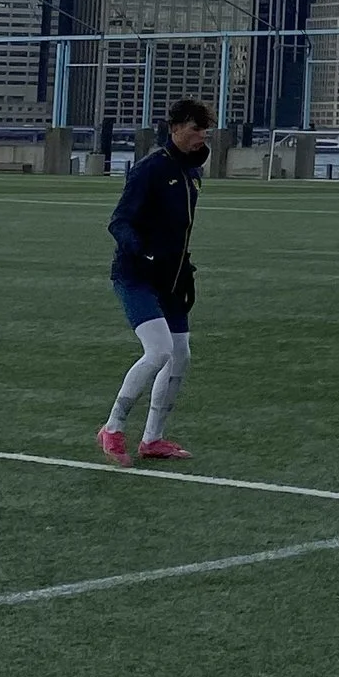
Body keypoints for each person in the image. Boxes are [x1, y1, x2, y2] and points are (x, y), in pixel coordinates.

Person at [101, 98, 213, 464]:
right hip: (136, 276)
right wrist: (145, 253)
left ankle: (153, 439)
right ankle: (113, 428)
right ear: (176, 128)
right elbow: (118, 222)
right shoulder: (149, 170)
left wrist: (182, 270)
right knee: (159, 351)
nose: (202, 137)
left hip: (173, 281)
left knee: (180, 356)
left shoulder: (191, 173)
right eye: (196, 129)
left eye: (205, 130)